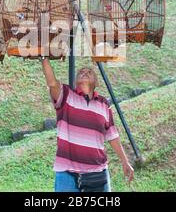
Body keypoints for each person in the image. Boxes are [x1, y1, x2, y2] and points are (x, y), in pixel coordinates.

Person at [41, 58, 134, 192]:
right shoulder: (66, 95)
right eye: (81, 72)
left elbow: (112, 135)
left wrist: (125, 161)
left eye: (89, 72)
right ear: (75, 81)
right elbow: (51, 83)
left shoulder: (104, 104)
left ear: (96, 82)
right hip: (67, 174)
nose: (85, 72)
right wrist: (44, 58)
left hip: (98, 172)